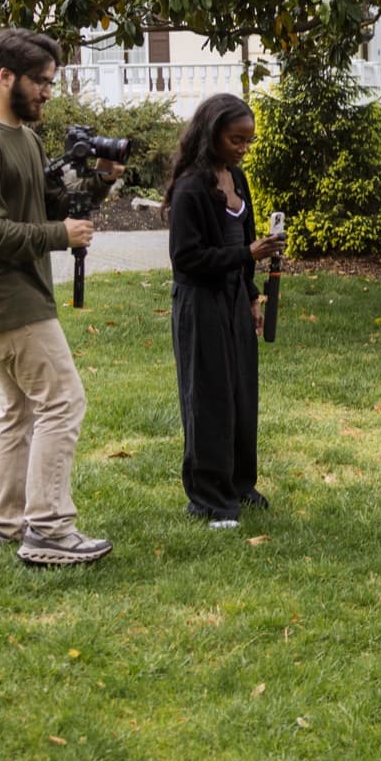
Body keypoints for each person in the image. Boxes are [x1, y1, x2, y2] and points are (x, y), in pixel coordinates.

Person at [0, 29, 116, 566]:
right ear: (5, 77)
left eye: (51, 81)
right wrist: (57, 236)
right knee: (63, 401)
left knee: (20, 408)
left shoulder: (24, 137)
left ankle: (7, 522)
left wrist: (104, 182)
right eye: (40, 82)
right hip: (4, 301)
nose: (48, 92)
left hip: (21, 296)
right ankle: (48, 529)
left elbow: (50, 207)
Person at [164, 93, 285, 528]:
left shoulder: (237, 177)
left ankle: (239, 484)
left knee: (240, 392)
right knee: (208, 396)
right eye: (236, 139)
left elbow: (243, 242)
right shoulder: (191, 188)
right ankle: (209, 498)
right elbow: (187, 259)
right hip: (200, 302)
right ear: (211, 132)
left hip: (234, 295)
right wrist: (247, 252)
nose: (242, 148)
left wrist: (252, 294)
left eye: (248, 141)